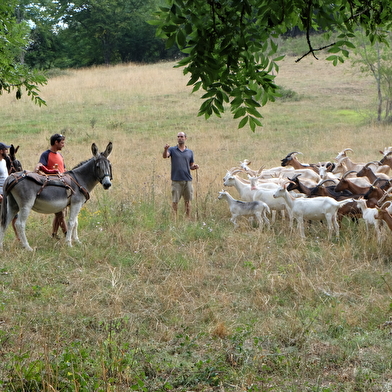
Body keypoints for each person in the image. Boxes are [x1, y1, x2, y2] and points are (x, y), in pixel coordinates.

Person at [35, 133, 67, 239]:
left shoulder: (60, 156)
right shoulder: (46, 154)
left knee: (60, 212)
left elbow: (64, 170)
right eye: (61, 143)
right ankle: (67, 234)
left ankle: (54, 234)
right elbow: (40, 166)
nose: (63, 145)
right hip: (52, 187)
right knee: (60, 213)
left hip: (62, 186)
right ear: (55, 142)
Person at [163, 132, 199, 218]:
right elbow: (165, 156)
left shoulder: (190, 152)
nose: (180, 138)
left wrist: (194, 167)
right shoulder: (172, 150)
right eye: (178, 137)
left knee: (188, 201)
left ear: (185, 138)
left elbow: (191, 165)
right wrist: (165, 149)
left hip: (187, 180)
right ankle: (174, 219)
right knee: (175, 202)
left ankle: (188, 219)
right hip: (176, 180)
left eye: (182, 136)